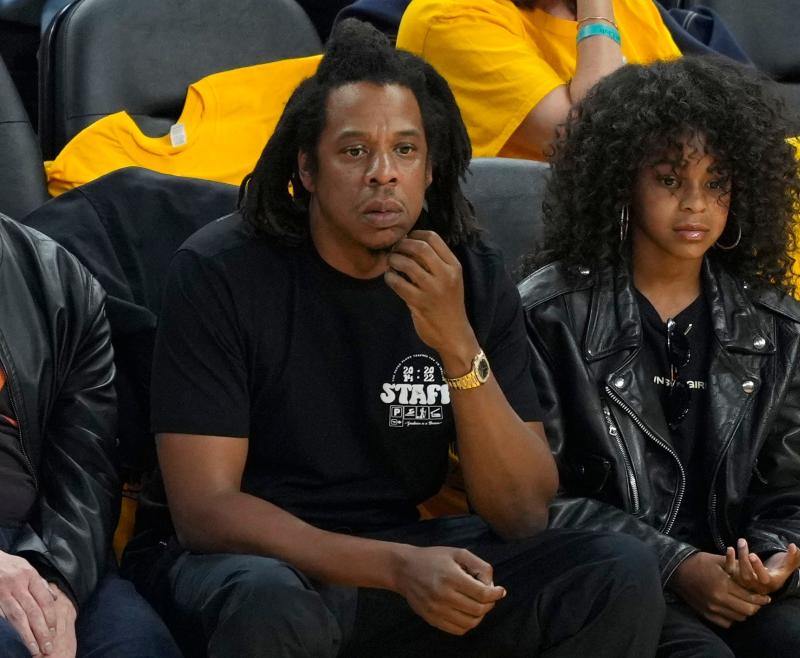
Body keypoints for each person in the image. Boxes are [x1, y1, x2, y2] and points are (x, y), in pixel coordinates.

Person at [130, 19, 664, 658]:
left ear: (431, 167)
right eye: (354, 152)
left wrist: (458, 343)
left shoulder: (468, 270)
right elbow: (206, 510)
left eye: (405, 151)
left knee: (611, 573)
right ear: (307, 167)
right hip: (244, 562)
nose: (384, 174)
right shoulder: (220, 271)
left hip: (396, 548)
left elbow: (521, 513)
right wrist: (391, 567)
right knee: (272, 607)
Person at [520, 56, 800, 657]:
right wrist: (679, 566)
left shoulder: (779, 326)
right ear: (622, 182)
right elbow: (537, 504)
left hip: (738, 580)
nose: (696, 203)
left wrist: (776, 565)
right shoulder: (550, 314)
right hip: (619, 579)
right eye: (671, 180)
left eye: (715, 183)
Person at [0, 212, 181, 657]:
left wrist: (59, 578)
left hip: (41, 540)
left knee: (138, 646)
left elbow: (87, 464)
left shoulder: (60, 280)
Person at [397, 0, 681, 160]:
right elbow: (596, 137)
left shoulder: (629, 5)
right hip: (524, 243)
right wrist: (596, 12)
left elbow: (690, 121)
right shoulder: (447, 16)